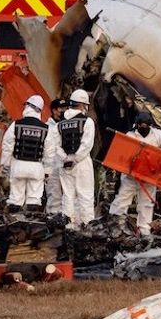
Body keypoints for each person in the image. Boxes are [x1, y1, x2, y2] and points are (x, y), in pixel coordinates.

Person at [110, 111, 161, 236]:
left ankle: (144, 231)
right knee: (121, 201)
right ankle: (115, 228)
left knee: (147, 204)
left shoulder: (157, 134)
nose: (143, 127)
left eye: (146, 125)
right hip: (131, 176)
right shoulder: (130, 135)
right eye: (141, 125)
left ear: (150, 125)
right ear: (137, 124)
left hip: (150, 176)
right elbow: (122, 155)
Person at [0, 95, 54, 213]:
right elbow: (49, 152)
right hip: (36, 167)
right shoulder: (46, 129)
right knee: (34, 199)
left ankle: (14, 221)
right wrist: (47, 171)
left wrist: (5, 165)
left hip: (18, 165)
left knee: (15, 198)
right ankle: (32, 222)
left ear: (29, 107)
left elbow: (7, 146)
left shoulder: (16, 125)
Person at [55, 89, 97, 227]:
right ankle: (87, 227)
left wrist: (66, 159)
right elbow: (86, 145)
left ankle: (69, 228)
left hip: (65, 165)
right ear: (82, 105)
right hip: (82, 164)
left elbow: (55, 145)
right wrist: (76, 159)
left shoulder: (59, 124)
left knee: (67, 196)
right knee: (85, 196)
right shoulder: (87, 121)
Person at [44, 98, 69, 214]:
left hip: (66, 165)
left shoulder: (67, 126)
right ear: (54, 110)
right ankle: (51, 219)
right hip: (52, 166)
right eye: (61, 108)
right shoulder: (46, 127)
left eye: (66, 108)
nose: (64, 110)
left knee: (68, 195)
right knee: (54, 195)